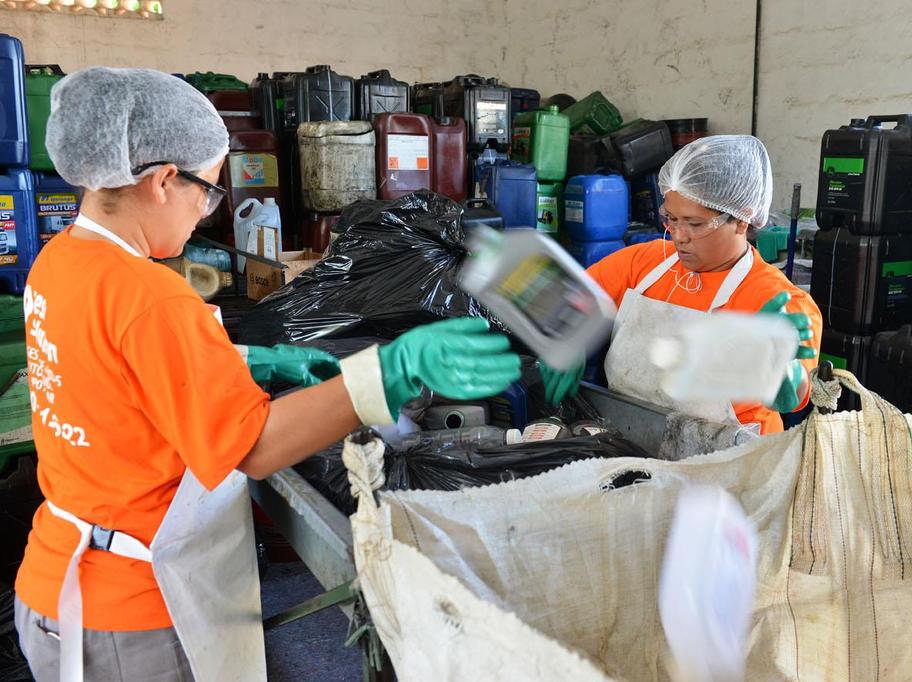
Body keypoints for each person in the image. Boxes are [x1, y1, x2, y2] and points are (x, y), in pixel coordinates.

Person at [13, 67, 522, 682]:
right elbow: (254, 447)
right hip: (131, 607)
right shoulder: (151, 295)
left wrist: (251, 359)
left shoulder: (63, 260)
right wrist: (389, 370)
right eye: (207, 190)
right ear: (164, 181)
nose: (205, 212)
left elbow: (115, 367)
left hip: (62, 573)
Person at [542, 135, 821, 435]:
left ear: (742, 219)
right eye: (671, 219)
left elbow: (798, 394)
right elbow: (570, 299)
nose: (678, 235)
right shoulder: (645, 263)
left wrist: (783, 377)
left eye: (695, 224)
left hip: (736, 464)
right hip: (632, 440)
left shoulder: (778, 300)